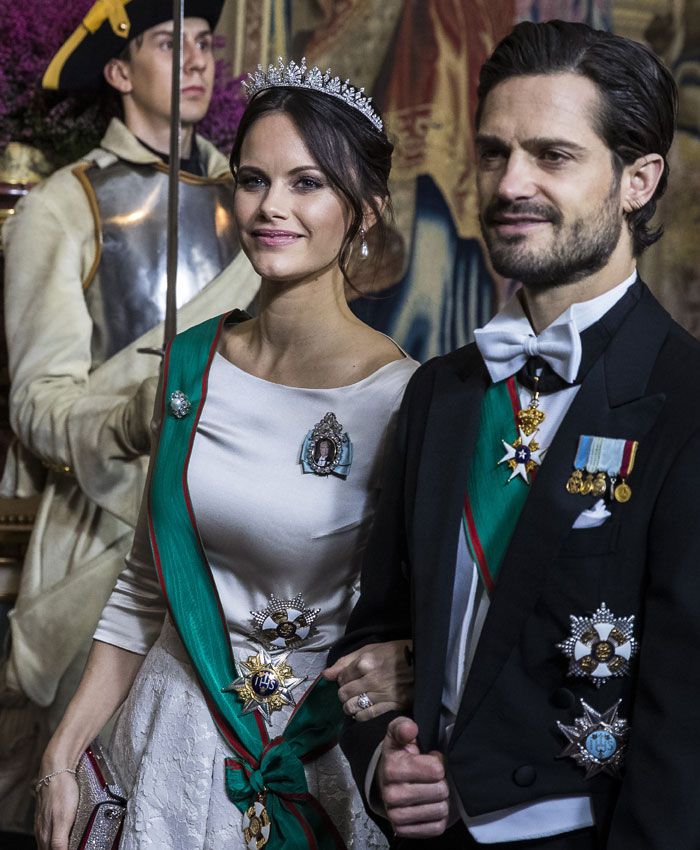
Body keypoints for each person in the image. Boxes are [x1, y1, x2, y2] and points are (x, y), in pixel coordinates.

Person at [329, 20, 699, 849]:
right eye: (494, 153)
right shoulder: (440, 391)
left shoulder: (687, 403)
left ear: (638, 180)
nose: (508, 183)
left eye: (552, 156)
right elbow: (375, 635)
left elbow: (687, 726)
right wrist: (381, 763)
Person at [34, 59, 418, 850]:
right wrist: (62, 754)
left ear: (366, 209)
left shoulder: (405, 397)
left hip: (310, 753)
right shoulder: (189, 366)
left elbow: (418, 610)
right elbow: (146, 583)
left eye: (307, 182)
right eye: (252, 179)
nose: (272, 207)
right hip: (169, 740)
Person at [0, 0, 260, 817]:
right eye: (166, 43)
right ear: (118, 72)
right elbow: (38, 406)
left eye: (203, 43)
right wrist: (131, 418)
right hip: (104, 537)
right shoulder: (63, 207)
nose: (195, 59)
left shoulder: (258, 209)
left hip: (229, 536)